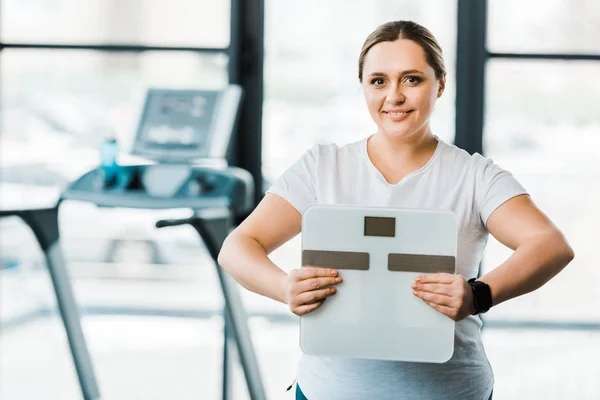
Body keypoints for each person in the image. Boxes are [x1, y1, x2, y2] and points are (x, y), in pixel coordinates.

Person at [217, 20, 575, 400]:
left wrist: (478, 295)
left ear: (440, 84)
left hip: (450, 392)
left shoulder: (474, 176)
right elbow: (238, 247)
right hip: (329, 391)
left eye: (411, 79)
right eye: (378, 81)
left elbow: (550, 246)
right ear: (364, 88)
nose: (394, 96)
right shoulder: (322, 166)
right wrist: (284, 286)